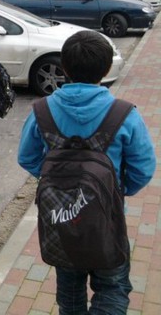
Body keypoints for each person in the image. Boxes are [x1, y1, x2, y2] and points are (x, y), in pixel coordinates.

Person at [18, 30, 155, 315]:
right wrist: (116, 189)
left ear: (64, 68)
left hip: (61, 221)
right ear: (106, 69)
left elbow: (27, 157)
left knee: (69, 292)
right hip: (108, 220)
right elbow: (144, 168)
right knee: (113, 289)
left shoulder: (42, 111)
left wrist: (57, 180)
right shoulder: (123, 113)